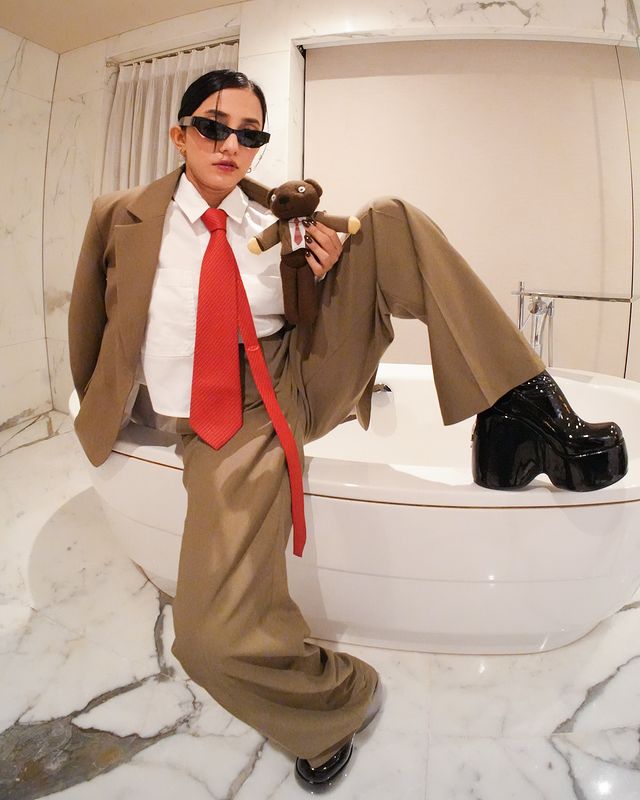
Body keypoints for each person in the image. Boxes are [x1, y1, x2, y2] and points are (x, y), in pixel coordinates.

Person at [68, 69, 628, 790]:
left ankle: (525, 406)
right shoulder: (119, 215)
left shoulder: (279, 216)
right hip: (219, 419)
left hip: (290, 377)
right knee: (208, 642)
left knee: (390, 219)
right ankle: (333, 699)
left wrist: (326, 272)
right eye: (212, 126)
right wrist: (105, 409)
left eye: (249, 134)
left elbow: (313, 312)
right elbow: (91, 321)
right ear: (179, 135)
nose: (230, 144)